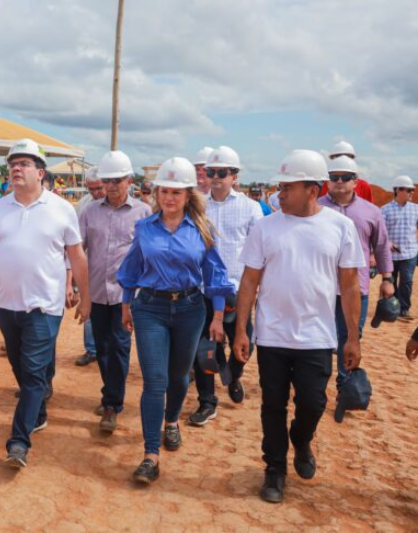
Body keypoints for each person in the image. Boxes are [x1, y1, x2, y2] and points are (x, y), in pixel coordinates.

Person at [234, 149, 365, 503]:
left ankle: (302, 439)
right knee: (272, 405)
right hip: (273, 334)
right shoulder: (266, 227)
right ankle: (274, 470)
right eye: (280, 186)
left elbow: (350, 284)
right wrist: (242, 329)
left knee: (313, 401)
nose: (280, 194)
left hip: (317, 336)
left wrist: (352, 336)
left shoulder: (340, 227)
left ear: (312, 189)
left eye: (287, 187)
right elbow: (249, 281)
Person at [0, 138, 91, 468]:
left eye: (24, 163)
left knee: (31, 374)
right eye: (12, 163)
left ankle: (18, 441)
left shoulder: (62, 209)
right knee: (21, 366)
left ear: (40, 172)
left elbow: (77, 255)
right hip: (7, 305)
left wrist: (86, 296)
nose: (16, 168)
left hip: (45, 306)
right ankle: (39, 408)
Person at [117, 157, 233, 484]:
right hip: (150, 308)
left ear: (188, 195)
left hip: (190, 309)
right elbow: (131, 269)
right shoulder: (144, 228)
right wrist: (126, 304)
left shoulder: (203, 229)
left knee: (180, 376)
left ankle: (171, 421)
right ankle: (150, 454)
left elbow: (216, 274)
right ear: (157, 194)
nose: (169, 198)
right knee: (155, 381)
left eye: (176, 192)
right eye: (164, 191)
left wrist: (218, 316)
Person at [189, 146, 263, 427]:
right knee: (203, 350)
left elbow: (260, 251)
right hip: (203, 291)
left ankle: (233, 374)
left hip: (238, 291)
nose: (215, 177)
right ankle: (208, 402)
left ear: (235, 175)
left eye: (222, 172)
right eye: (211, 172)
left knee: (246, 342)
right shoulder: (197, 205)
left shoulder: (250, 208)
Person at [80, 151, 151, 433]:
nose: (111, 186)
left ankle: (112, 404)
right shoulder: (89, 212)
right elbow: (78, 250)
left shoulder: (143, 213)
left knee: (120, 346)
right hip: (97, 292)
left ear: (129, 181)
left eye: (117, 180)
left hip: (127, 296)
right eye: (107, 180)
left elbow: (148, 256)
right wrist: (76, 287)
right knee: (102, 347)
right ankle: (110, 392)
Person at [319, 155, 393, 400]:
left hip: (356, 288)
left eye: (345, 177)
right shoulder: (316, 208)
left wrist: (387, 278)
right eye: (334, 177)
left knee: (350, 337)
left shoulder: (371, 212)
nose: (339, 181)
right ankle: (315, 381)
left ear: (355, 181)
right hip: (320, 286)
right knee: (318, 336)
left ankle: (344, 385)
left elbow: (381, 246)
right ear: (327, 181)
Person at [74, 167, 106, 367]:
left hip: (115, 270)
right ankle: (92, 349)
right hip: (89, 265)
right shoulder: (84, 204)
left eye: (98, 188)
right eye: (91, 189)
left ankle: (111, 351)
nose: (95, 193)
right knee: (89, 307)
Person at [381, 175, 418, 320]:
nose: (411, 193)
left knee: (407, 281)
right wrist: (387, 243)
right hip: (390, 254)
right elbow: (380, 232)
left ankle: (404, 309)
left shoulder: (416, 209)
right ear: (397, 190)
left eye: (412, 190)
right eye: (408, 190)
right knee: (391, 281)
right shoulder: (384, 210)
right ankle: (393, 308)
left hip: (410, 252)